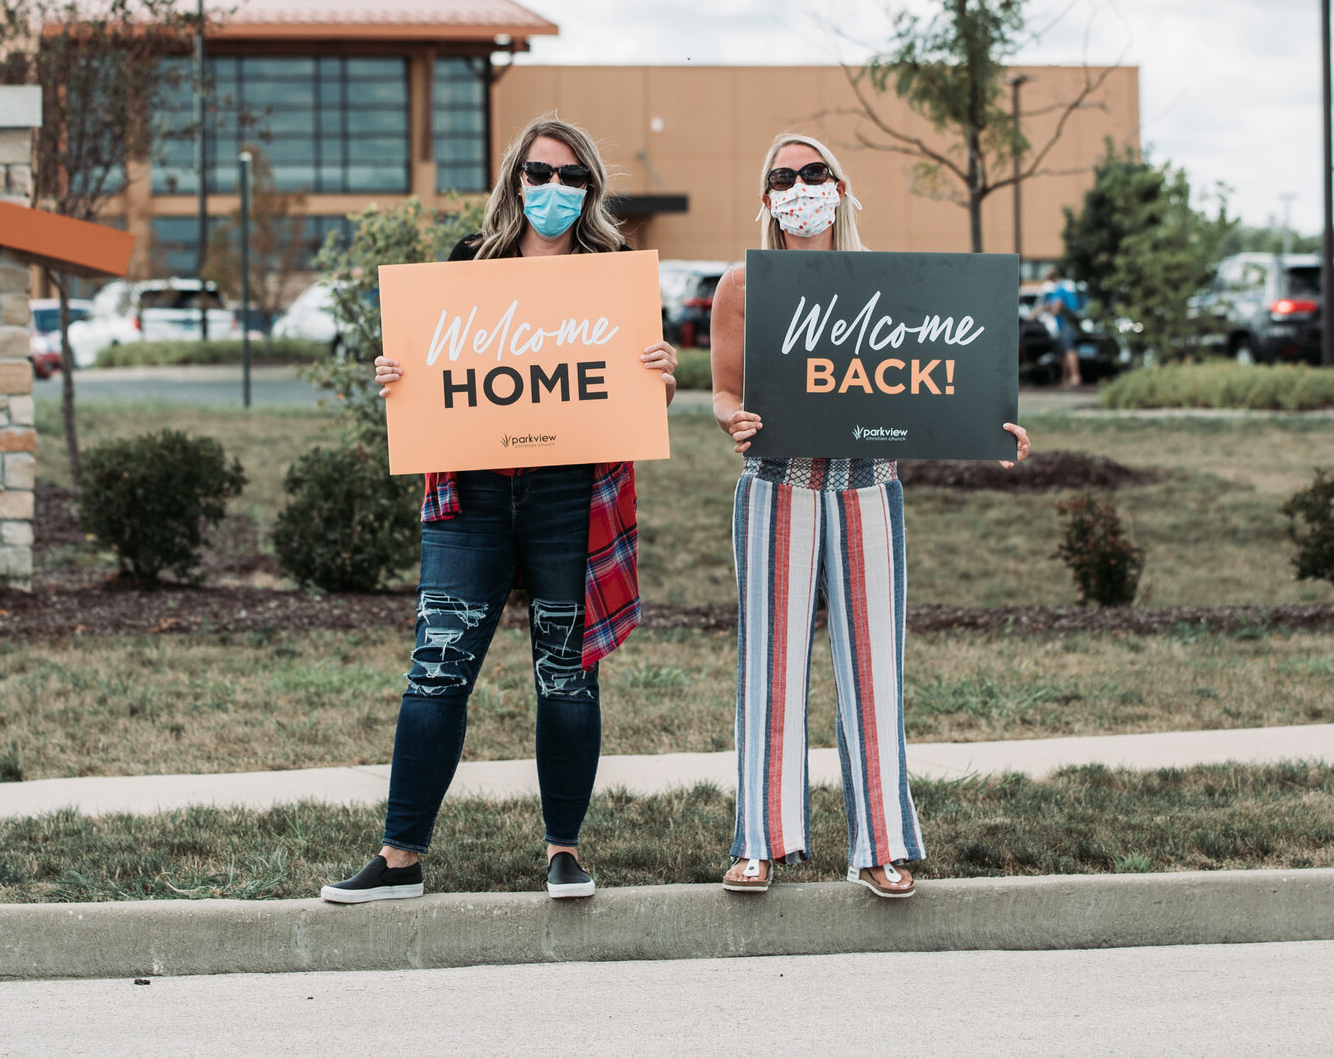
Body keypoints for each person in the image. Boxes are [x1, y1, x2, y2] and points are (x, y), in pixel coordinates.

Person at [320, 116, 678, 906]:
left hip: (570, 497)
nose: (555, 188)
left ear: (590, 189)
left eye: (572, 176)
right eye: (540, 172)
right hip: (473, 495)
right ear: (516, 177)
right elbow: (432, 368)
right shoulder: (470, 263)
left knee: (567, 678)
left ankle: (563, 852)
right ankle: (399, 858)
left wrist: (660, 375)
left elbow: (634, 398)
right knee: (436, 670)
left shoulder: (611, 273)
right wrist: (398, 375)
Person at [708, 132, 1030, 899]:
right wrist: (729, 417)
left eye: (814, 171)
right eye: (783, 176)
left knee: (874, 667)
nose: (800, 186)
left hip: (868, 484)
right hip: (776, 483)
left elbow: (935, 374)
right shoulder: (742, 285)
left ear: (841, 186)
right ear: (766, 198)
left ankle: (882, 843)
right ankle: (760, 840)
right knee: (770, 667)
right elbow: (722, 386)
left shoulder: (888, 282)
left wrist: (989, 428)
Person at [1040, 281, 1085, 389]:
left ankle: (1075, 377)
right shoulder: (1065, 290)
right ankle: (1065, 378)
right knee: (1063, 352)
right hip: (1067, 324)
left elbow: (1056, 307)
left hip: (1066, 324)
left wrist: (1045, 317)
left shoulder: (1059, 290)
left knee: (1069, 350)